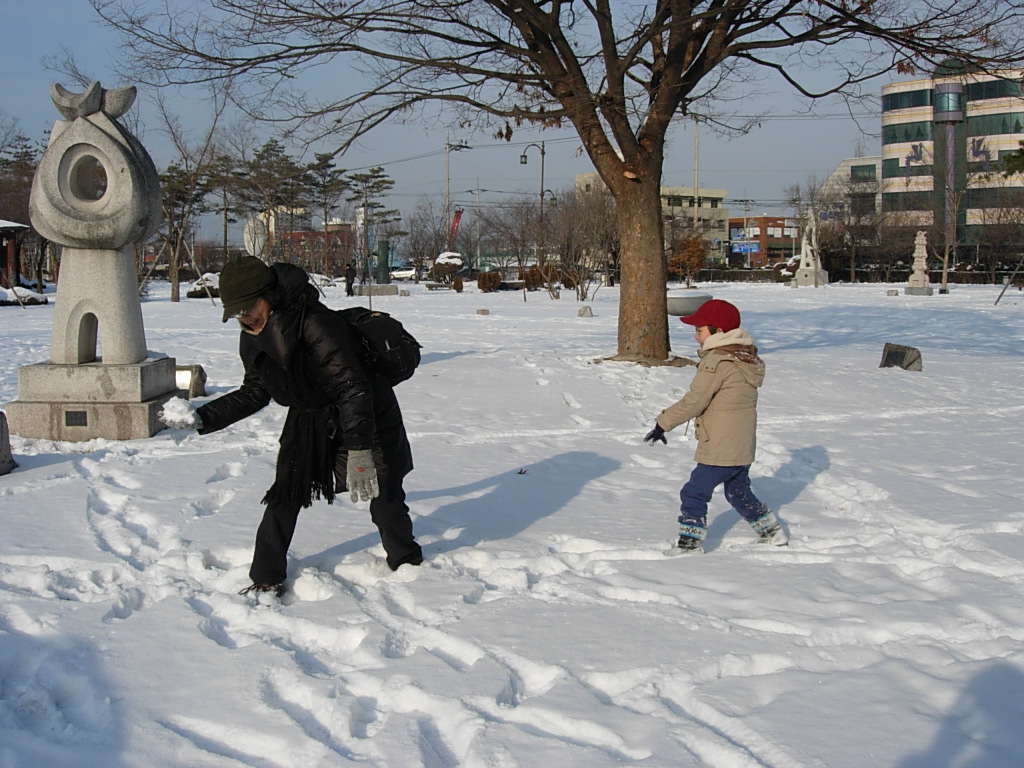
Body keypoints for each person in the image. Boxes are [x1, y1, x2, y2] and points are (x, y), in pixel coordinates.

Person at [161, 256, 423, 596]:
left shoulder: (316, 323)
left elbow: (352, 388)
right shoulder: (251, 335)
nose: (244, 318)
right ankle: (266, 576)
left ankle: (407, 562)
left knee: (382, 493)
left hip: (365, 412)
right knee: (286, 492)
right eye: (237, 312)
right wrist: (204, 416)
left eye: (248, 307)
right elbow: (255, 392)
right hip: (308, 418)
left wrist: (359, 451)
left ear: (268, 296)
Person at [643, 299, 787, 553]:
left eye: (699, 330)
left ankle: (689, 542)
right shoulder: (745, 358)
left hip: (721, 442)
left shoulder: (717, 361)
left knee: (694, 492)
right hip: (741, 443)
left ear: (718, 331)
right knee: (737, 491)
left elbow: (696, 400)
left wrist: (663, 423)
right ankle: (771, 531)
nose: (696, 337)